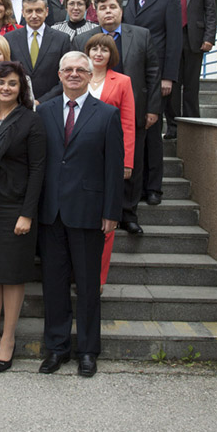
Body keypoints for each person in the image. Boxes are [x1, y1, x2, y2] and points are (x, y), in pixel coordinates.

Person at [37, 52, 123, 377]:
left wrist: (111, 212)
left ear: (89, 75)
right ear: (59, 75)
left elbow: (113, 167)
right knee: (54, 285)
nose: (74, 74)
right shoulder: (44, 111)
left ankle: (88, 350)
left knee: (87, 286)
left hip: (88, 212)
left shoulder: (107, 114)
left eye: (80, 70)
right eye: (68, 70)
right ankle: (57, 348)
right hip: (51, 213)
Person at [0, 61, 46, 372]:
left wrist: (27, 214)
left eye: (12, 83)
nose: (6, 88)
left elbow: (38, 170)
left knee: (12, 275)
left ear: (21, 88)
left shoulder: (31, 121)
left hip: (15, 209)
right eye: (1, 82)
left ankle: (8, 339)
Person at [73, 0, 161, 236]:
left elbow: (153, 72)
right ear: (95, 12)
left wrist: (153, 108)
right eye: (102, 8)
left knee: (131, 165)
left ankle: (128, 214)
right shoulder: (84, 39)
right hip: (94, 115)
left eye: (112, 7)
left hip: (133, 111)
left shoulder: (141, 35)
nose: (108, 12)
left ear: (121, 10)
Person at [122, 0, 182, 205]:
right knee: (135, 132)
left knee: (153, 131)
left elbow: (175, 40)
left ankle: (153, 187)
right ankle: (135, 186)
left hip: (156, 76)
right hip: (131, 75)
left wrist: (168, 77)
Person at [84, 34, 135, 288]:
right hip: (80, 158)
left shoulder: (122, 81)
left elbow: (128, 122)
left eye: (104, 49)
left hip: (109, 159)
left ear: (111, 54)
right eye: (94, 49)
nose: (98, 53)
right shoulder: (77, 76)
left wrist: (127, 161)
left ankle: (98, 278)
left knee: (106, 221)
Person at [157, 0, 217, 138]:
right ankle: (173, 127)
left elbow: (210, 11)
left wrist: (209, 38)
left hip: (195, 40)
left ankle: (193, 127)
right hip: (170, 41)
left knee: (191, 85)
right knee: (172, 86)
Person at [5, 0, 71, 101]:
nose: (34, 16)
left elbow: (66, 76)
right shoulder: (9, 39)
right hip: (18, 103)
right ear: (23, 13)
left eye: (39, 10)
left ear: (47, 11)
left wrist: (41, 102)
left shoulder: (62, 39)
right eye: (29, 11)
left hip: (51, 103)